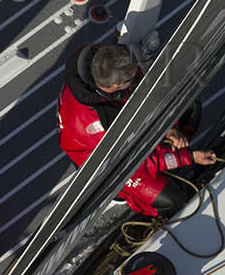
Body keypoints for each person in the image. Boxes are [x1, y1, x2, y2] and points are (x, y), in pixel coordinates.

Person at [57, 42, 214, 217]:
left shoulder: (104, 64)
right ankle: (124, 194)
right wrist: (188, 157)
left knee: (190, 106)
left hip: (123, 131)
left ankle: (168, 154)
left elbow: (148, 97)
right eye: (131, 79)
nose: (138, 73)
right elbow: (135, 163)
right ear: (116, 86)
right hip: (110, 161)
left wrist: (170, 129)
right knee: (174, 199)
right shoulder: (95, 126)